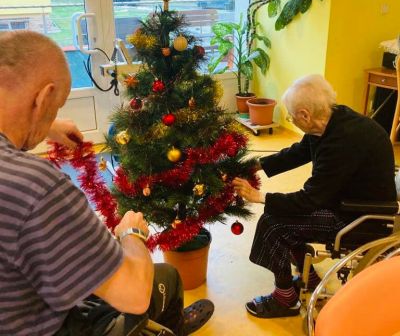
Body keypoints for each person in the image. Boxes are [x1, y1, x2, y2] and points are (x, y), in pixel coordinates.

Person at [0, 30, 213, 336]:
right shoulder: (37, 188)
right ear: (43, 98)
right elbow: (134, 296)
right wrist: (132, 235)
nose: (54, 115)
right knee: (165, 277)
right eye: (56, 106)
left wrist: (46, 124)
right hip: (53, 327)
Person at [232, 74, 396, 319]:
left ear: (305, 115)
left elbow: (310, 200)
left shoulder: (343, 142)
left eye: (291, 116)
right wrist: (258, 165)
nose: (291, 120)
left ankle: (285, 299)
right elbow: (300, 152)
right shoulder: (331, 119)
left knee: (272, 223)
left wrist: (260, 196)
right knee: (283, 213)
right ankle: (308, 276)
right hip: (346, 201)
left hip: (359, 217)